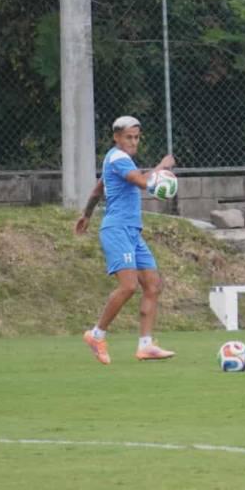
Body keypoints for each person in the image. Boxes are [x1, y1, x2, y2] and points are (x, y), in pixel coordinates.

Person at [74, 115, 176, 365]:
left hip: (132, 231)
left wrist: (86, 215)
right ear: (116, 137)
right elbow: (143, 183)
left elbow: (99, 189)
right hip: (117, 229)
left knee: (152, 285)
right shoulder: (118, 158)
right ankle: (96, 335)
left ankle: (146, 345)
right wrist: (162, 166)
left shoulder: (118, 161)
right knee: (129, 286)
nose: (133, 141)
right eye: (128, 137)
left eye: (136, 137)